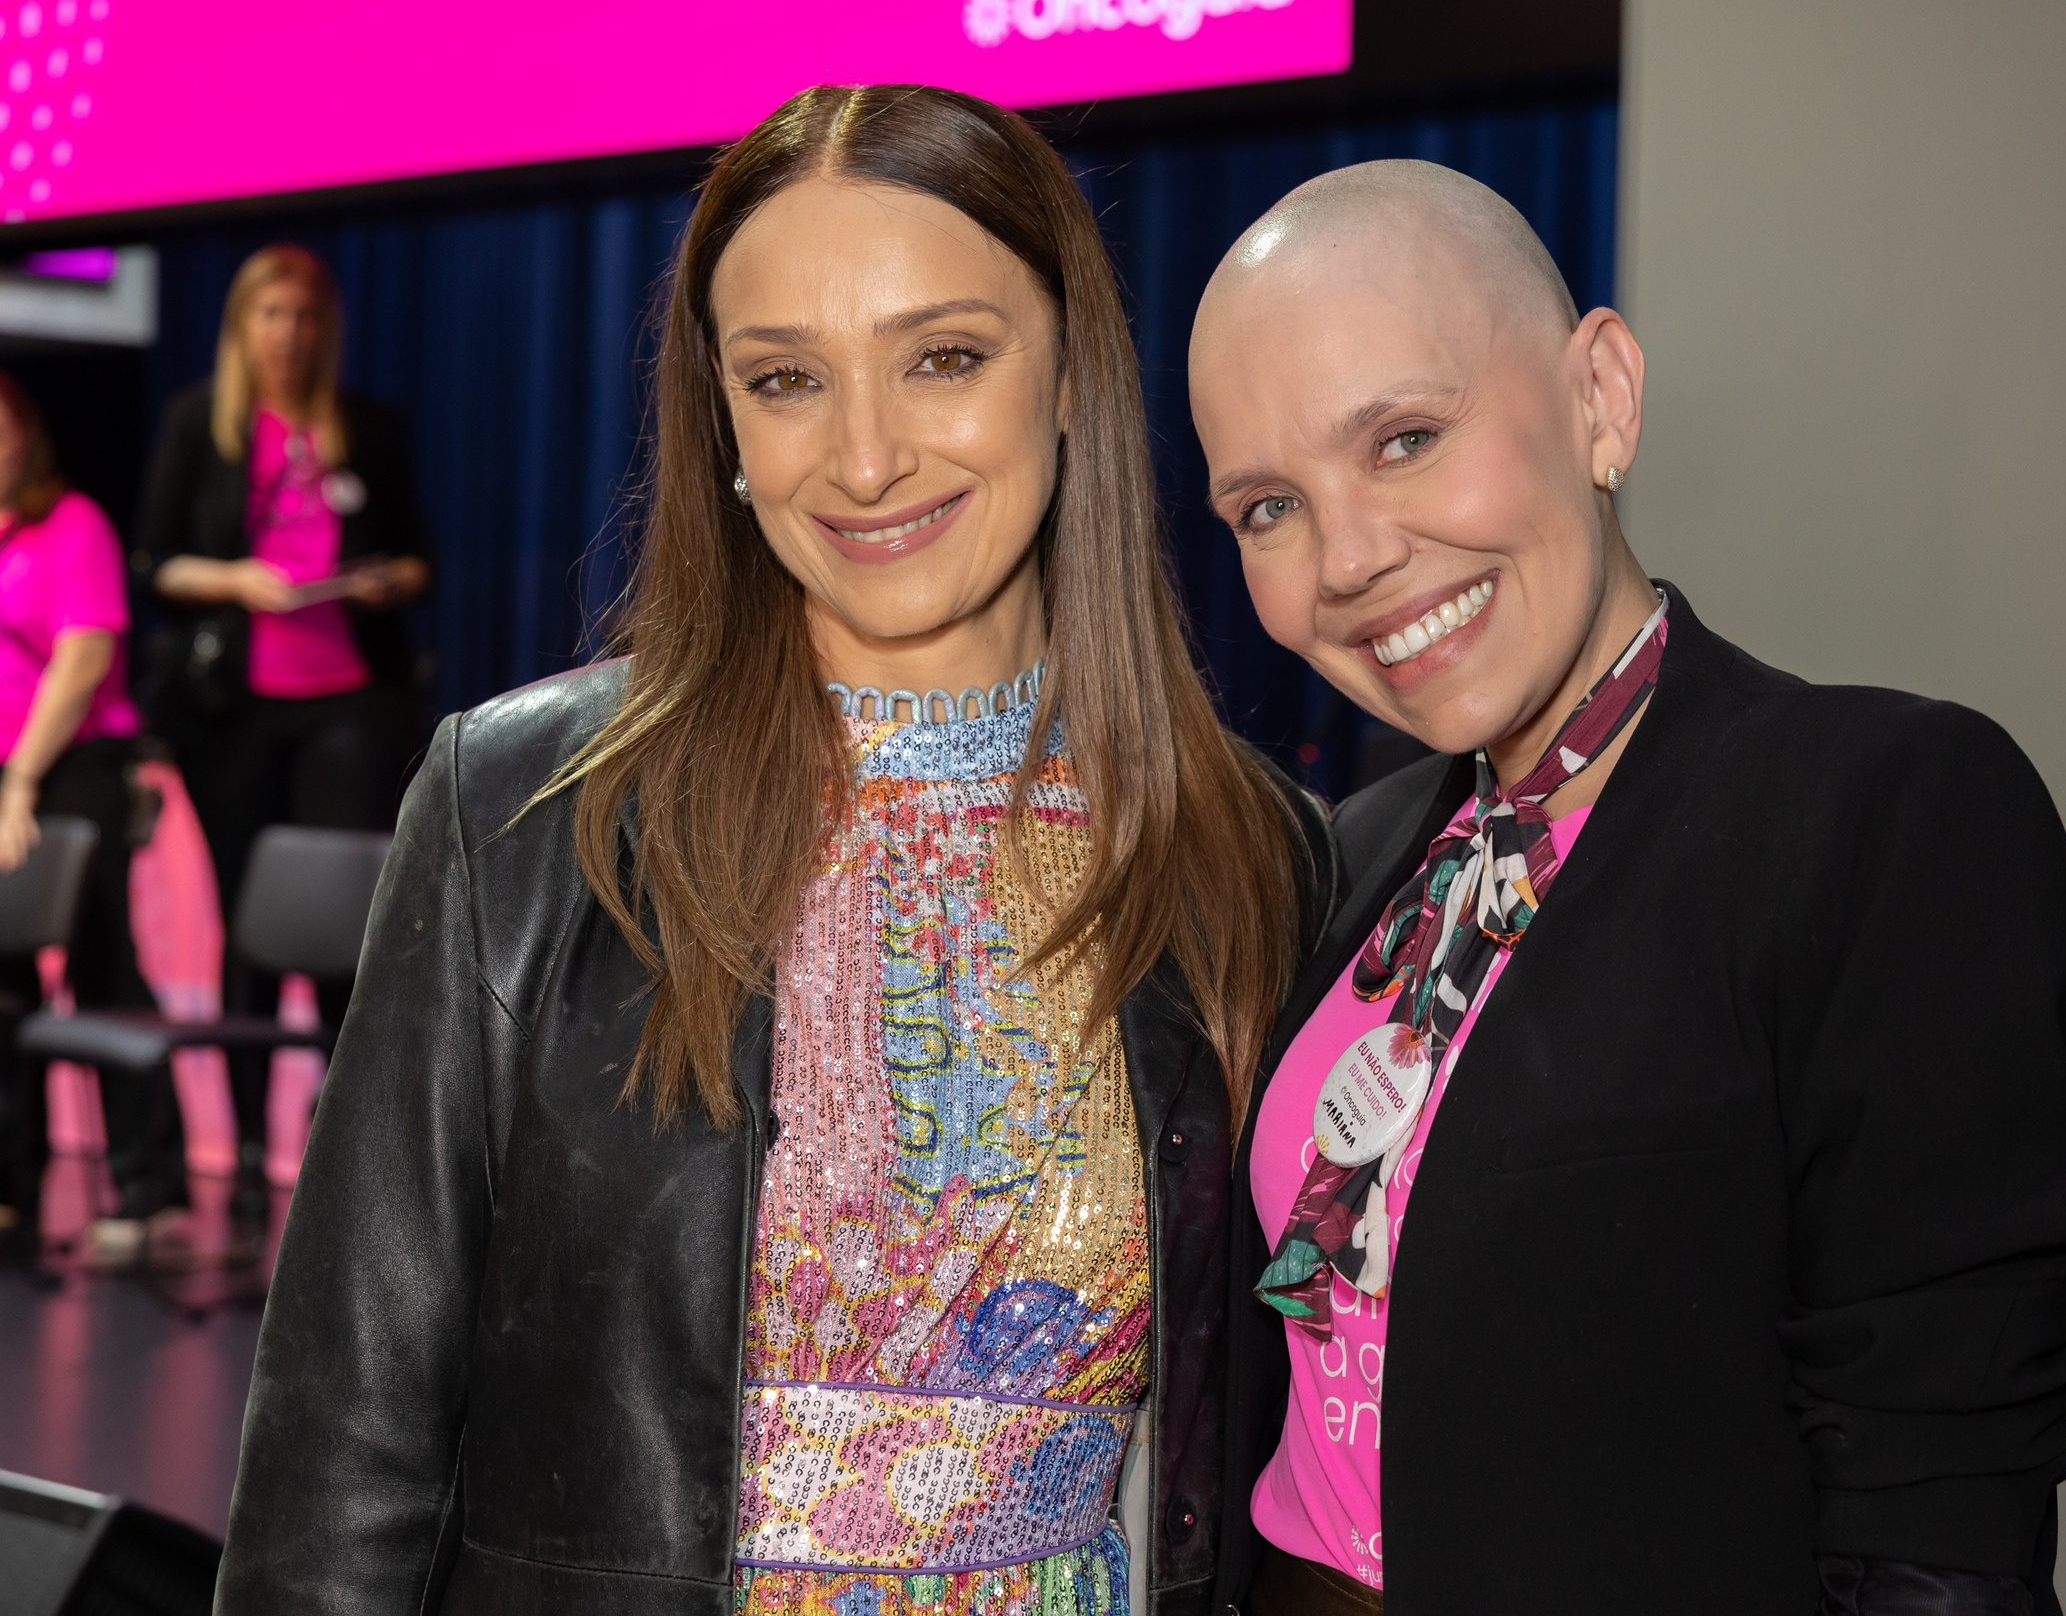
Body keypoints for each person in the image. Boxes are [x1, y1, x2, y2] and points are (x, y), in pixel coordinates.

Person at [216, 86, 1333, 1616]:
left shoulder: (1246, 853)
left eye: (945, 357)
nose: (864, 459)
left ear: (1070, 373)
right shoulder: (523, 813)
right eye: (787, 379)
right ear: (724, 422)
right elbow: (344, 1454)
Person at [1190, 162, 2066, 1616]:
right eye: (1265, 508)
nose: (1352, 557)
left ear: (1602, 398)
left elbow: (1940, 1516)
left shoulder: (1876, 811)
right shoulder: (1347, 859)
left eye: (1407, 438)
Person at [138, 243, 433, 1177]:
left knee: (346, 921)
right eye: (272, 315)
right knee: (246, 930)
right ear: (243, 326)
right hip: (232, 710)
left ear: (325, 330)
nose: (289, 334)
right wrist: (239, 580)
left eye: (305, 317)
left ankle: (342, 1136)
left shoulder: (367, 427)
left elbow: (423, 556)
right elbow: (156, 566)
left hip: (347, 699)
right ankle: (244, 1142)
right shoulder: (202, 424)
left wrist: (385, 580)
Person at [0, 369, 176, 1241]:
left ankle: (148, 1187)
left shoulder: (73, 527)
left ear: (27, 437)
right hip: (8, 772)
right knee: (4, 985)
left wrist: (20, 778)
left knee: (101, 961)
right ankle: (13, 1191)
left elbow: (79, 662)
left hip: (72, 763)